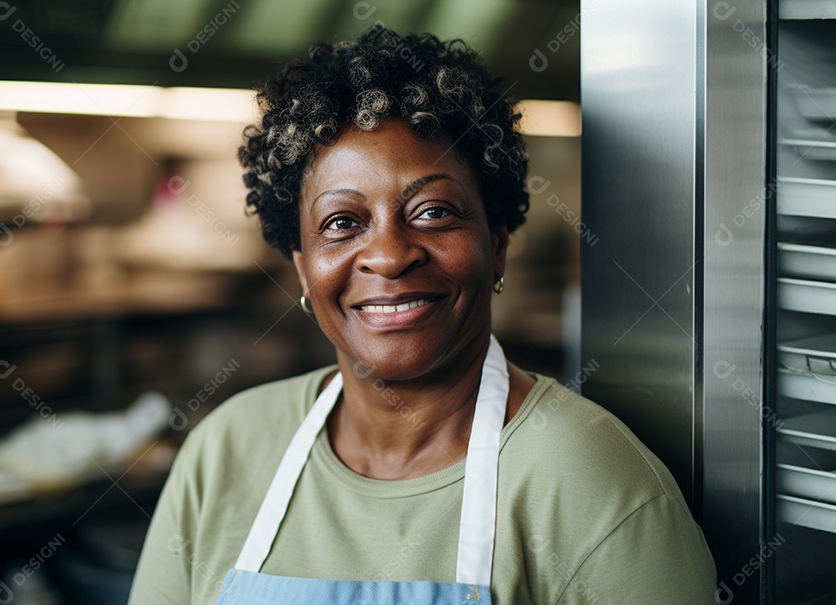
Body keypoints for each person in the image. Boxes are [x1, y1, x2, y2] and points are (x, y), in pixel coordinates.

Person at [128, 25, 716, 605]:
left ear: (499, 246)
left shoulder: (591, 481)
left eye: (433, 212)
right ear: (305, 270)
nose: (388, 255)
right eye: (341, 223)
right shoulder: (227, 451)